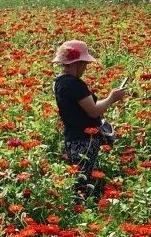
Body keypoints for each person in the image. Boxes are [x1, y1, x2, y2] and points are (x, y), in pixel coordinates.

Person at [52, 39, 127, 200]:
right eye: (84, 63)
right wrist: (112, 98)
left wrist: (108, 100)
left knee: (82, 176)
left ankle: (81, 207)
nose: (86, 67)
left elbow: (90, 107)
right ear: (77, 63)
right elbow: (93, 112)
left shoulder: (60, 82)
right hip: (83, 139)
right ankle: (79, 210)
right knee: (83, 181)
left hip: (73, 137)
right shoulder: (74, 84)